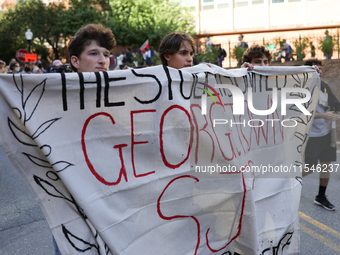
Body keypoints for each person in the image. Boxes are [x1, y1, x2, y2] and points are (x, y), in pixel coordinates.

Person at [48, 23, 117, 255]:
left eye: (106, 55)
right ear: (76, 61)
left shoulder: (121, 94)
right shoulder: (55, 98)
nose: (102, 60)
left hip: (112, 197)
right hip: (72, 199)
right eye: (94, 53)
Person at [303, 58, 340, 211]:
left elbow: (336, 105)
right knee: (310, 167)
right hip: (310, 136)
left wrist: (336, 114)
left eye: (320, 69)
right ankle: (288, 181)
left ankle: (321, 196)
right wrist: (324, 116)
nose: (318, 71)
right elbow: (302, 114)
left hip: (325, 134)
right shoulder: (301, 89)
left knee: (326, 165)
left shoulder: (324, 87)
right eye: (314, 69)